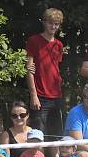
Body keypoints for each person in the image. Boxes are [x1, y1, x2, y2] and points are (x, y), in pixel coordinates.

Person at [26, 8, 66, 139]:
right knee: (38, 133)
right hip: (40, 94)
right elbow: (29, 69)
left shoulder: (59, 44)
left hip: (56, 94)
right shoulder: (34, 40)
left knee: (57, 132)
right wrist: (33, 95)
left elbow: (56, 68)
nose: (53, 26)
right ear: (44, 22)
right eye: (50, 23)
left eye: (56, 24)